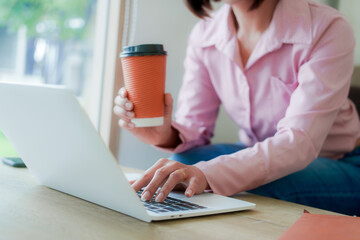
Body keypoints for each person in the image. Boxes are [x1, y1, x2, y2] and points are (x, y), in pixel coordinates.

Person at [113, 0, 360, 215]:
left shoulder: (325, 27)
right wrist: (163, 133)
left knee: (250, 185)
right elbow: (195, 128)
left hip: (343, 162)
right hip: (256, 150)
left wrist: (206, 174)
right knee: (180, 163)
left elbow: (299, 143)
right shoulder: (205, 34)